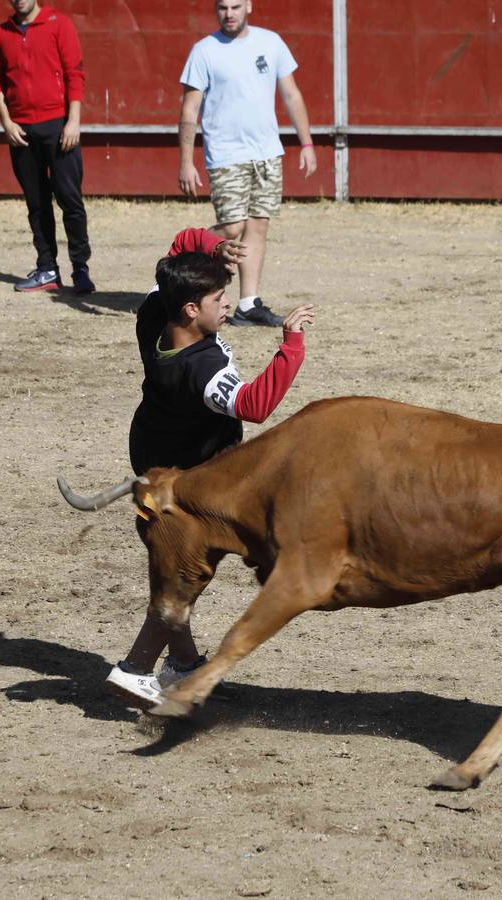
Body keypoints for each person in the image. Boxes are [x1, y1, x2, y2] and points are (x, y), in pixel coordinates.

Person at [104, 227, 316, 708]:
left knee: (179, 565)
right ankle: (135, 670)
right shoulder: (201, 370)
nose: (230, 304)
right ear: (191, 311)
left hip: (151, 454)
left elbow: (176, 249)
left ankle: (183, 665)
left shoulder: (153, 312)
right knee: (187, 571)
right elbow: (256, 404)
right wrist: (291, 345)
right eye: (220, 298)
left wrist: (209, 246)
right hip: (190, 480)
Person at [177, 0, 317, 327]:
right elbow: (189, 110)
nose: (229, 14)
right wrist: (186, 160)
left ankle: (248, 303)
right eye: (223, 7)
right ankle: (180, 260)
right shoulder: (204, 51)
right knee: (232, 227)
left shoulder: (271, 42)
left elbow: (292, 95)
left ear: (249, 6)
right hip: (226, 153)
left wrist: (306, 142)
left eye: (236, 6)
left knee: (258, 225)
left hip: (267, 152)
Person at [0, 0, 94, 294]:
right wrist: (7, 123)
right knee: (36, 203)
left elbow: (75, 73)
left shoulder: (58, 24)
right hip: (21, 130)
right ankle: (48, 269)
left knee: (69, 199)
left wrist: (73, 121)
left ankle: (80, 269)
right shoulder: (2, 32)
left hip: (58, 126)